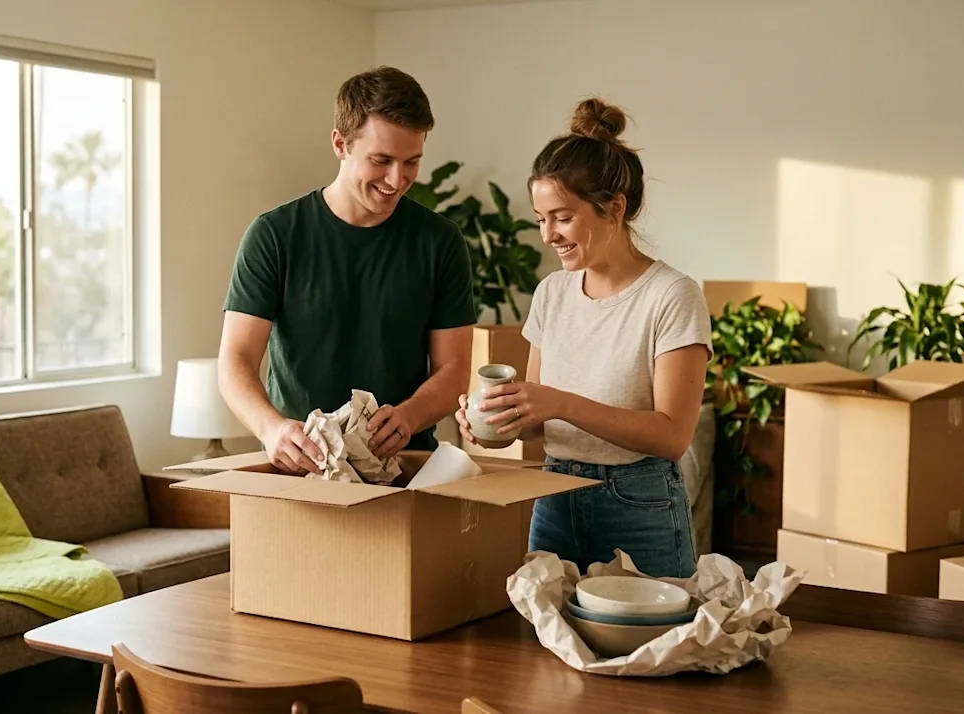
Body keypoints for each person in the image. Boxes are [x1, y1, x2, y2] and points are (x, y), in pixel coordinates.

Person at [455, 97, 712, 578]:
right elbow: (538, 421)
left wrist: (559, 403)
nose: (547, 234)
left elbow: (673, 436)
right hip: (554, 497)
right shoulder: (552, 292)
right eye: (540, 218)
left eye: (562, 217)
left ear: (614, 208)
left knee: (652, 648)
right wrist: (494, 426)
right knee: (542, 646)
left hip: (640, 504)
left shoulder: (672, 295)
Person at [218, 66, 476, 475]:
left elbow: (454, 367)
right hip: (299, 469)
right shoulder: (274, 236)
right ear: (340, 144)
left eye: (412, 161)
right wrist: (271, 429)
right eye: (381, 160)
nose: (397, 179)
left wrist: (409, 416)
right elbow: (235, 360)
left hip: (405, 467)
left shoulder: (440, 242)